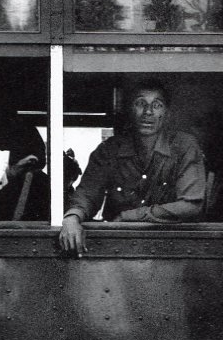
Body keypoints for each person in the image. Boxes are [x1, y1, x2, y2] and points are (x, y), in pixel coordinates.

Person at [60, 79, 207, 253]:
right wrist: (72, 218)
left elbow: (190, 205)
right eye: (140, 103)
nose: (148, 112)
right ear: (130, 110)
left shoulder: (184, 147)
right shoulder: (109, 150)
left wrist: (129, 216)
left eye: (157, 105)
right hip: (118, 247)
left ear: (167, 114)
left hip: (172, 248)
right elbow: (87, 193)